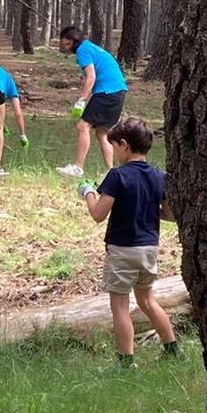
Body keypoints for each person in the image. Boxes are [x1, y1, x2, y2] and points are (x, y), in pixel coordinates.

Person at [77, 117, 179, 368]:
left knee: (120, 307)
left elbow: (98, 214)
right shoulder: (158, 176)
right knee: (147, 301)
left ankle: (126, 363)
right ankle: (172, 348)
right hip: (149, 249)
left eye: (113, 145)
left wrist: (88, 193)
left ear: (124, 145)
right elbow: (170, 215)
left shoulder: (116, 176)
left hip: (123, 250)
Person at [55, 25, 128, 178]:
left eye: (64, 42)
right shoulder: (89, 47)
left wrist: (81, 100)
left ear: (70, 41)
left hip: (107, 91)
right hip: (118, 90)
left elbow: (91, 77)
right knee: (102, 133)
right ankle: (110, 171)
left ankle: (78, 168)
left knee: (82, 126)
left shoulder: (83, 51)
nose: (63, 46)